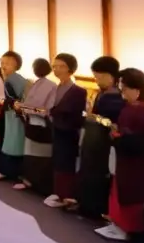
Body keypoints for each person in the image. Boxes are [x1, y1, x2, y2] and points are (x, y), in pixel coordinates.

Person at [92, 68, 144, 242]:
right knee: (118, 189)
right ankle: (117, 223)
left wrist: (121, 137)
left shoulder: (143, 112)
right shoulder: (129, 107)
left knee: (130, 193)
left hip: (133, 159)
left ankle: (129, 227)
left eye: (125, 88)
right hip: (123, 155)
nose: (122, 91)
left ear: (137, 90)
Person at [77, 56, 125, 220]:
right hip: (93, 139)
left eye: (99, 77)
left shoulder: (115, 97)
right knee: (89, 171)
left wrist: (92, 117)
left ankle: (95, 208)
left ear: (111, 76)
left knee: (98, 174)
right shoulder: (102, 93)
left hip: (102, 142)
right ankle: (87, 205)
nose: (97, 80)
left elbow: (109, 121)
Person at [46, 53, 86, 209]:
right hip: (56, 127)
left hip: (69, 131)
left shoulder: (78, 91)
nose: (57, 69)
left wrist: (56, 112)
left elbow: (75, 112)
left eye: (61, 66)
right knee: (58, 161)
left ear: (71, 69)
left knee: (66, 162)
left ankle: (67, 195)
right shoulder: (56, 87)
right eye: (54, 66)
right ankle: (59, 192)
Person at [15, 58, 57, 195]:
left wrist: (27, 109)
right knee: (30, 155)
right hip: (31, 123)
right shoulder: (36, 83)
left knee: (41, 157)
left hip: (42, 125)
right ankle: (29, 180)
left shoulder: (52, 85)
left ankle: (41, 185)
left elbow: (47, 110)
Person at [0, 51, 28, 182]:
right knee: (13, 142)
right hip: (15, 114)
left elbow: (14, 99)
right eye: (2, 63)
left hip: (15, 115)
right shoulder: (17, 79)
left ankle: (9, 172)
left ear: (16, 65)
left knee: (12, 142)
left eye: (7, 63)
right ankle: (13, 172)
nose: (3, 66)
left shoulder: (12, 80)